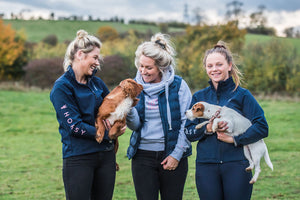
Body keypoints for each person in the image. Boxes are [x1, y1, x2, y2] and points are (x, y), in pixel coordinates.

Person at [184, 41, 269, 200]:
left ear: (229, 65)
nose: (214, 69)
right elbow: (188, 133)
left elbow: (262, 127)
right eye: (210, 66)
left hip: (237, 165)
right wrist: (207, 129)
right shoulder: (199, 98)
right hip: (206, 167)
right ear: (206, 68)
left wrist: (235, 139)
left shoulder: (242, 95)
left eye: (219, 64)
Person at [50, 29, 126, 200]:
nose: (97, 63)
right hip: (79, 158)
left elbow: (113, 110)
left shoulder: (97, 83)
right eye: (95, 57)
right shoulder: (62, 88)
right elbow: (74, 127)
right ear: (80, 55)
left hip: (105, 156)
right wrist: (108, 134)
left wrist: (119, 123)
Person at [126, 33, 192, 200]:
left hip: (172, 154)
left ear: (161, 68)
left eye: (149, 68)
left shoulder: (179, 86)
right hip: (142, 157)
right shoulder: (134, 87)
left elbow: (187, 122)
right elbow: (135, 126)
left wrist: (176, 155)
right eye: (141, 66)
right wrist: (128, 108)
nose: (143, 71)